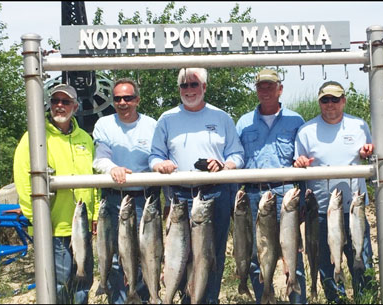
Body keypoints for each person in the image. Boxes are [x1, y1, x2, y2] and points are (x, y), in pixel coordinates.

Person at [149, 67, 244, 304]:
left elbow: (237, 154)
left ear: (204, 87)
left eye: (194, 85)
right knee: (178, 255)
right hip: (179, 195)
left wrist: (224, 165)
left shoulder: (221, 117)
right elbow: (154, 156)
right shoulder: (167, 118)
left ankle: (208, 299)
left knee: (210, 255)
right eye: (184, 85)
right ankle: (182, 297)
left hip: (215, 193)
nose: (189, 90)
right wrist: (160, 165)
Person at [13, 84, 98, 304]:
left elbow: (94, 178)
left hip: (82, 226)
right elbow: (23, 179)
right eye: (55, 101)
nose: (59, 106)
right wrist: (36, 218)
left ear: (76, 106)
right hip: (52, 226)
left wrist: (95, 213)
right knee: (58, 284)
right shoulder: (34, 136)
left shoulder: (86, 139)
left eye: (65, 101)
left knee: (82, 283)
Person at [293, 81, 374, 303]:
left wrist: (368, 152)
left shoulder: (359, 126)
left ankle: (365, 297)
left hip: (353, 210)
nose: (330, 104)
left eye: (335, 99)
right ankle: (334, 299)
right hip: (319, 212)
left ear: (343, 101)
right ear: (319, 102)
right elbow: (297, 164)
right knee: (325, 263)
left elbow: (371, 155)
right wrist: (299, 162)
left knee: (362, 258)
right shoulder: (306, 131)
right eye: (325, 100)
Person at [236, 68, 307, 304]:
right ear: (256, 90)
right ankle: (264, 298)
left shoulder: (296, 120)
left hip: (286, 193)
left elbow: (303, 156)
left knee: (292, 253)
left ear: (280, 89)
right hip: (254, 195)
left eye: (270, 86)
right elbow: (236, 157)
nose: (265, 91)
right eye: (261, 87)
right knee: (257, 255)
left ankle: (298, 299)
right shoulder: (244, 122)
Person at [92, 78, 159, 304]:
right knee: (114, 257)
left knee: (143, 254)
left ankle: (141, 298)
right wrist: (113, 169)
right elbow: (100, 159)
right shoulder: (104, 125)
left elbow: (156, 157)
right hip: (112, 199)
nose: (122, 102)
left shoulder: (152, 125)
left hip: (144, 200)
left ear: (137, 100)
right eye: (118, 98)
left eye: (128, 98)